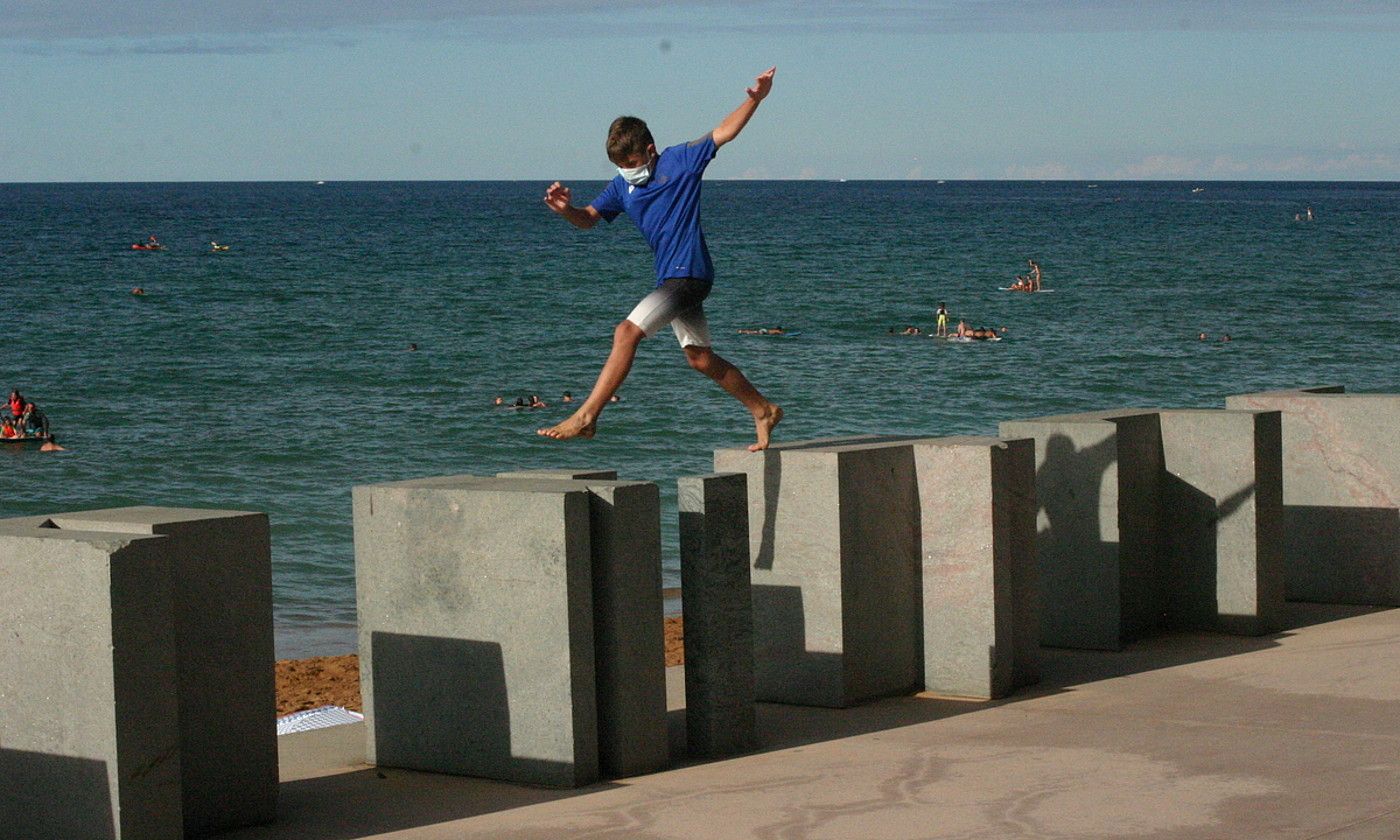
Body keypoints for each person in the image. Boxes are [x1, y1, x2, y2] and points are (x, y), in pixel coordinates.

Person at [537, 67, 783, 452]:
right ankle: (763, 409)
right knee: (700, 358)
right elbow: (587, 220)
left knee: (626, 332)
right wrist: (565, 209)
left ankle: (586, 417)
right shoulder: (622, 185)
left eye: (631, 162)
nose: (626, 171)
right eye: (620, 165)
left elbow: (724, 131)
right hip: (670, 279)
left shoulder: (680, 161)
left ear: (650, 151)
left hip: (691, 276)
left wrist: (755, 98)